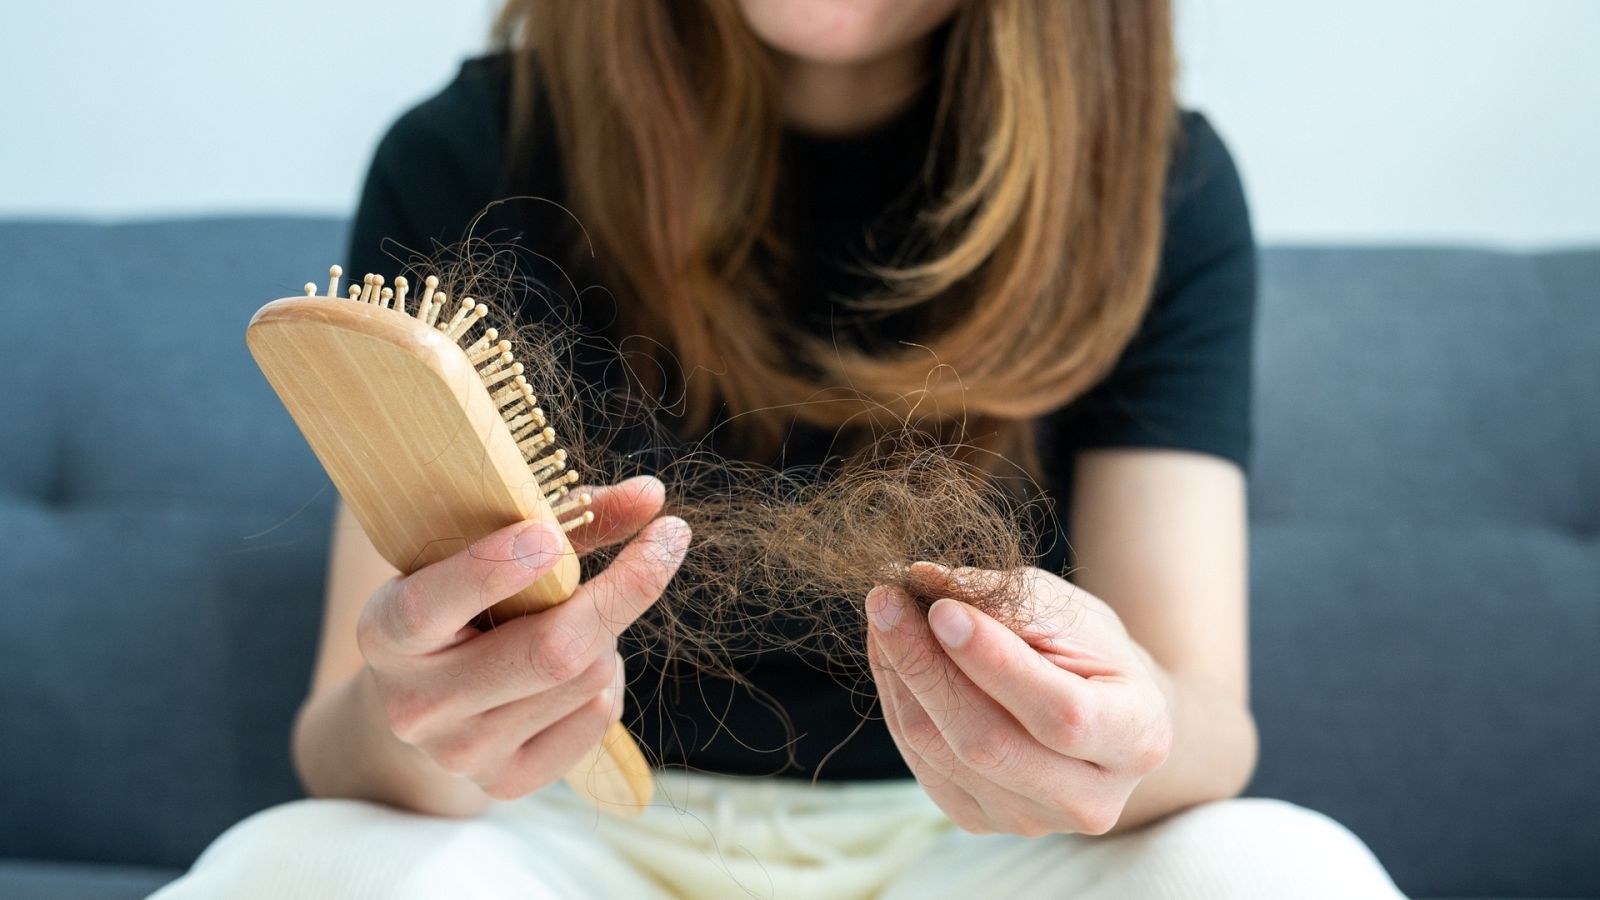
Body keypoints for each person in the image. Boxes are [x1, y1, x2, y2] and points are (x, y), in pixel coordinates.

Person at [155, 1, 1404, 897]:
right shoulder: (466, 150)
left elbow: (1206, 724)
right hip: (557, 833)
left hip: (979, 846)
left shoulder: (1158, 182)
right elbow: (342, 740)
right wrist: (430, 718)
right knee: (299, 873)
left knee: (1283, 870)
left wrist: (1119, 735)